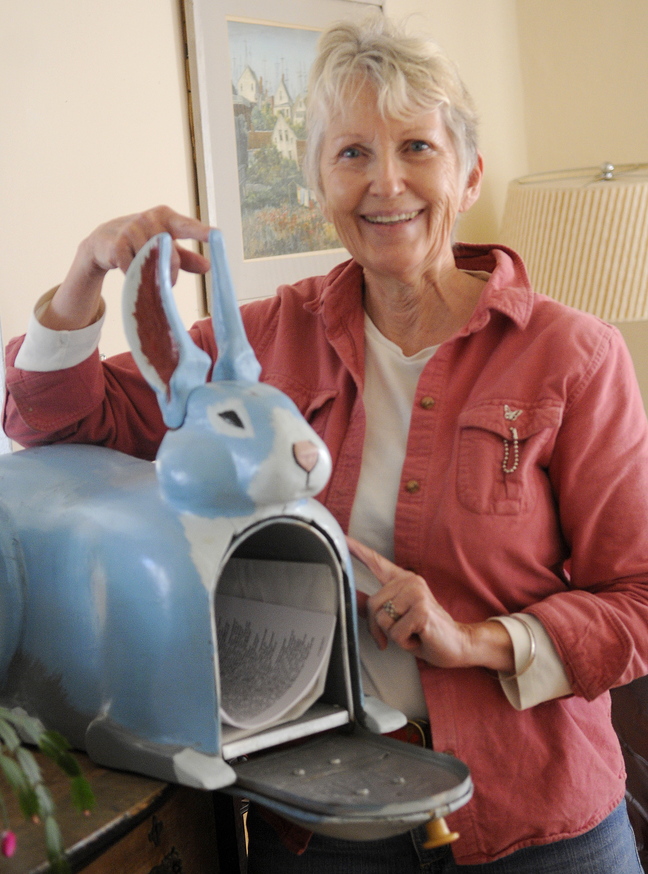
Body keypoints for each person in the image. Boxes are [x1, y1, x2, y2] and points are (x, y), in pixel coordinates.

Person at [3, 13, 648, 874]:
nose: (387, 183)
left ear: (469, 174)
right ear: (316, 182)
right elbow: (58, 420)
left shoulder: (575, 356)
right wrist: (85, 271)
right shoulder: (263, 338)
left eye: (418, 146)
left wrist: (477, 639)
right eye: (351, 154)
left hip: (538, 820)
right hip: (319, 827)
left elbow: (636, 598)